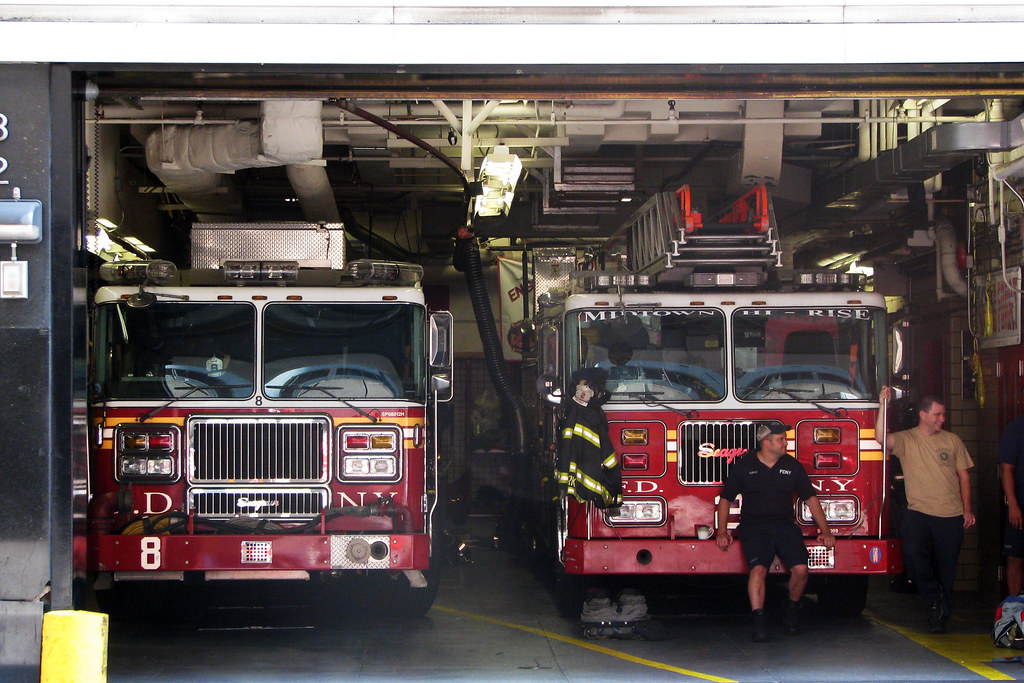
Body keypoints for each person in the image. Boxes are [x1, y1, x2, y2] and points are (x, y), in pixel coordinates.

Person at [715, 423, 835, 642]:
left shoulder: (792, 466)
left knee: (801, 570)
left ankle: (791, 610)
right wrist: (721, 531)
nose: (786, 442)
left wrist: (825, 531)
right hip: (754, 527)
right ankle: (759, 621)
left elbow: (810, 498)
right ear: (767, 442)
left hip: (784, 526)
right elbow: (726, 498)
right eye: (781, 439)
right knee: (758, 570)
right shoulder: (745, 465)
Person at [876, 386, 975, 633]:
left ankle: (939, 614)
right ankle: (933, 600)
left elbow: (964, 477)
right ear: (923, 414)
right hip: (918, 511)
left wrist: (968, 510)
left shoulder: (953, 440)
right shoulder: (907, 439)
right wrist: (883, 405)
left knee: (947, 568)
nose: (942, 419)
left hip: (951, 514)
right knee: (912, 555)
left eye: (943, 415)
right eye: (938, 414)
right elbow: (880, 438)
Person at [555, 368, 622, 509]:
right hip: (575, 484)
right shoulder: (571, 412)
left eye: (586, 384)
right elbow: (565, 449)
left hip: (587, 482)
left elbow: (608, 456)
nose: (581, 389)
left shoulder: (594, 415)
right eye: (580, 385)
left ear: (596, 389)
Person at [1000, 408, 1024, 596]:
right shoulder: (1015, 429)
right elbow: (1006, 469)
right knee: (1015, 558)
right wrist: (1013, 505)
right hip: (1020, 505)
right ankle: (1014, 608)